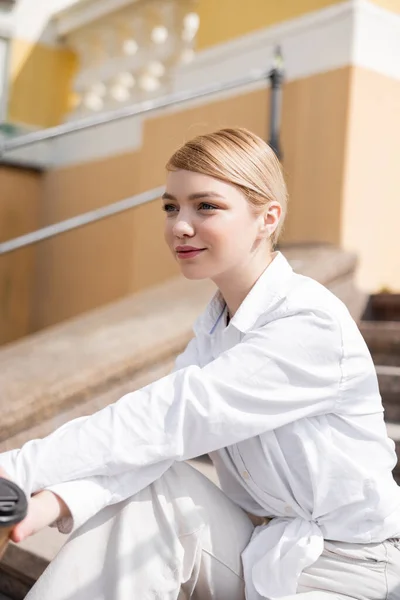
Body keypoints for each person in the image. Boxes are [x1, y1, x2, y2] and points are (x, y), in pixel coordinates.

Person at [1, 127, 400, 600]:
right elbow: (155, 449)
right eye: (171, 206)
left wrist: (14, 471)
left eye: (205, 206)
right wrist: (45, 502)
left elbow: (165, 418)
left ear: (267, 217)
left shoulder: (308, 322)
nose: (179, 226)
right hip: (260, 553)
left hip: (352, 571)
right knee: (158, 489)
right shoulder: (214, 328)